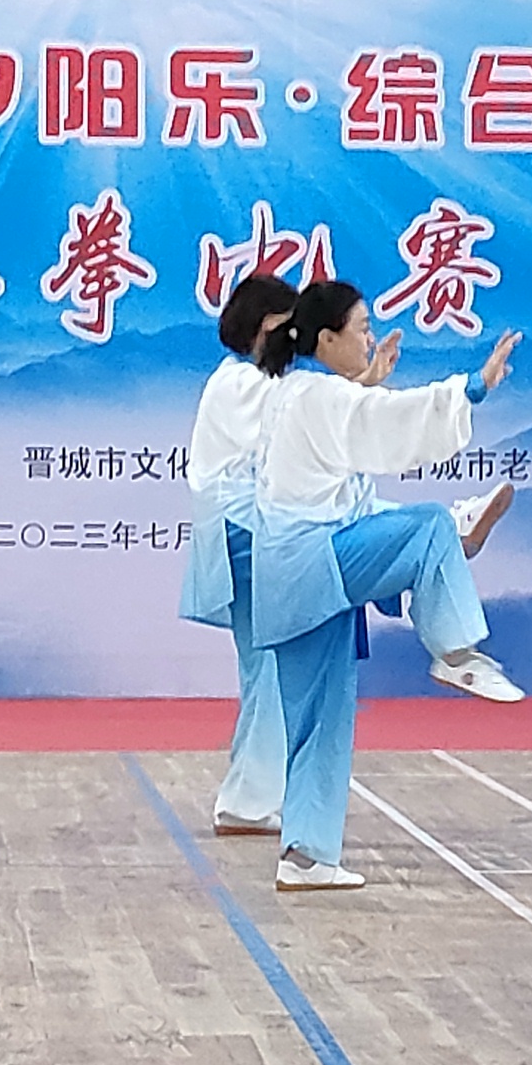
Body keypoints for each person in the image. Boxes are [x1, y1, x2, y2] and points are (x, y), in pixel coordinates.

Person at [243, 277, 527, 893]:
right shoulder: (317, 396)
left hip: (289, 582)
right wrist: (473, 388)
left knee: (319, 722)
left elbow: (351, 442)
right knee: (427, 526)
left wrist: (367, 380)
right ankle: (455, 650)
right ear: (326, 339)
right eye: (362, 329)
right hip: (317, 566)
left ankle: (305, 855)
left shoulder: (292, 392)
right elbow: (383, 424)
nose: (369, 339)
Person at [180, 273, 308, 835]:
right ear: (270, 325)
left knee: (269, 668)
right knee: (270, 668)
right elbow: (302, 419)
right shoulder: (240, 383)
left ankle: (252, 796)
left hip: (256, 532)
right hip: (246, 534)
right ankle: (248, 800)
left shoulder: (252, 382)